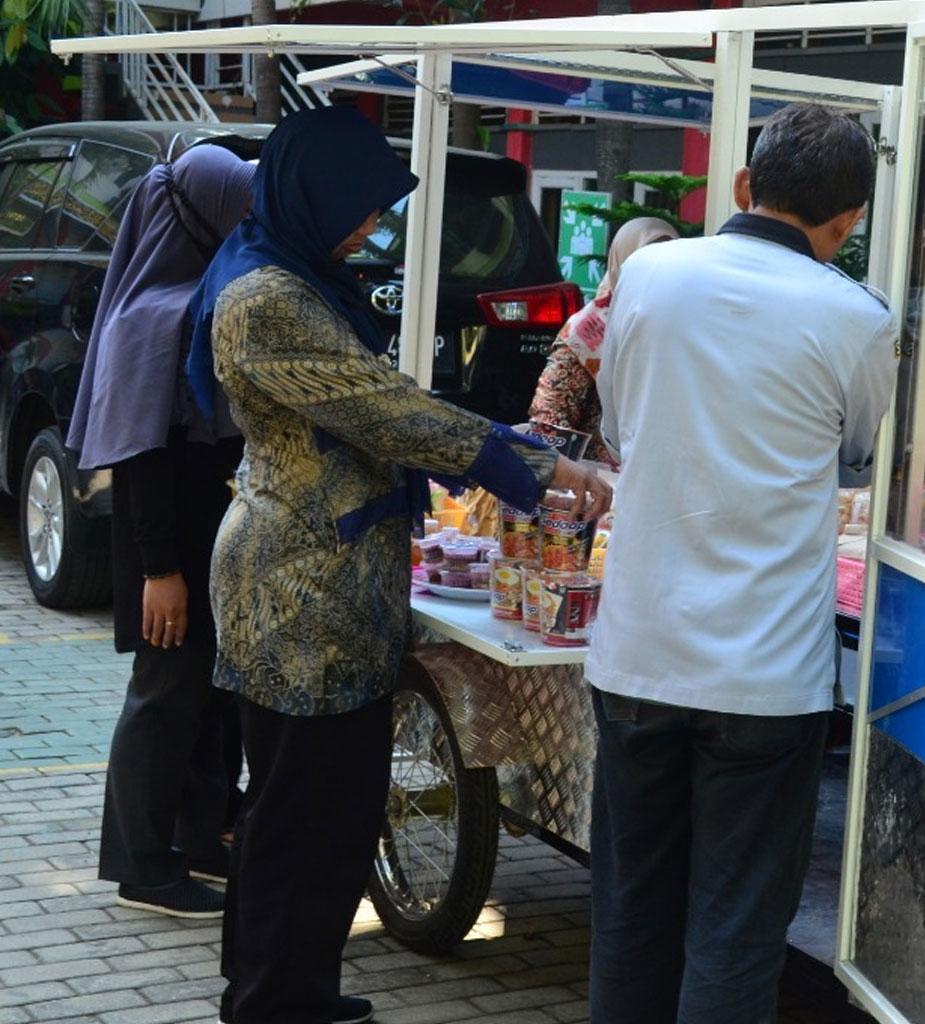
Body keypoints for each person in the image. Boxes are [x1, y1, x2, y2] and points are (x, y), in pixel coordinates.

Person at [188, 106, 610, 1024]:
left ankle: (287, 987)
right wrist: (542, 466)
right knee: (308, 812)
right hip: (300, 589)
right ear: (314, 193)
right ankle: (270, 999)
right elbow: (394, 414)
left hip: (328, 573)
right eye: (365, 208)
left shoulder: (297, 274)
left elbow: (390, 405)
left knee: (315, 808)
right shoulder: (268, 299)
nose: (375, 228)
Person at [586, 102, 894, 1024]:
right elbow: (865, 449)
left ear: (742, 187)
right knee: (733, 926)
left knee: (631, 907)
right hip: (764, 677)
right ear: (848, 225)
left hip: (638, 648)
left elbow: (613, 426)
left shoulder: (646, 274)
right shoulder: (856, 316)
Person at [66, 144, 252, 920]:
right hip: (167, 546)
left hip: (207, 538)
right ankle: (142, 866)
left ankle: (197, 838)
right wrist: (159, 570)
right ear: (199, 211)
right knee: (163, 697)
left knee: (211, 699)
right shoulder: (152, 318)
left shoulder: (201, 298)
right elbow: (141, 460)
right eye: (238, 204)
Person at [528, 216, 678, 465]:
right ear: (623, 263)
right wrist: (564, 477)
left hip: (661, 477)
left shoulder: (679, 324)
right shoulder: (588, 331)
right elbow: (550, 416)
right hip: (599, 483)